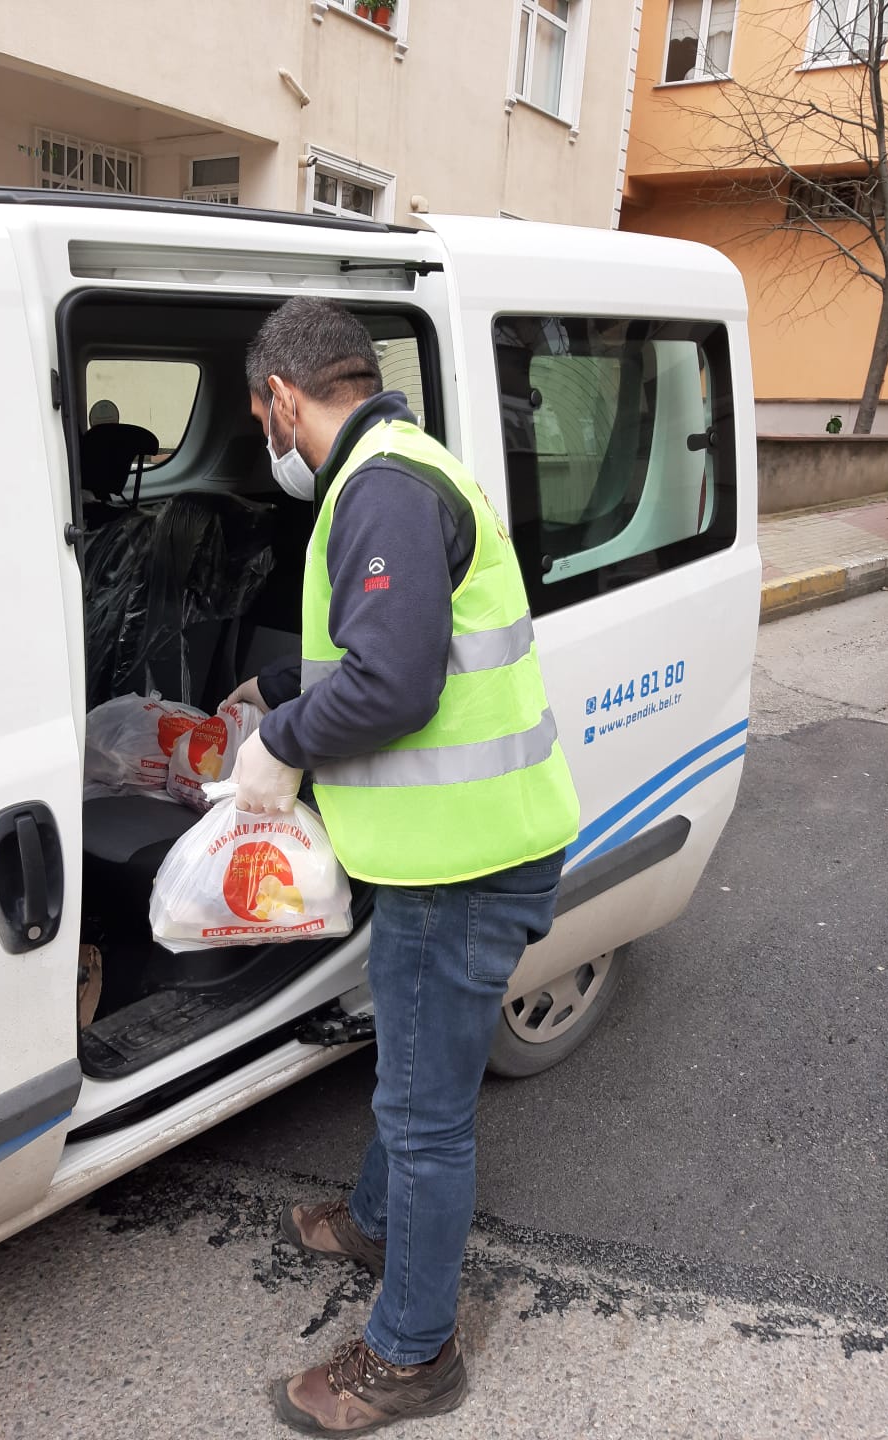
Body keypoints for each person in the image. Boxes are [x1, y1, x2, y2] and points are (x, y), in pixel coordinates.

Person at [227, 296, 579, 1434]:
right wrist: (278, 693)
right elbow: (379, 652)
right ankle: (376, 1223)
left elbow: (392, 685)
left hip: (460, 866)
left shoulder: (376, 487)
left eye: (257, 414)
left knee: (426, 1113)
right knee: (415, 1061)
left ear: (283, 395)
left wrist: (275, 749)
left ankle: (411, 1355)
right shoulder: (403, 463)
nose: (265, 438)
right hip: (465, 848)